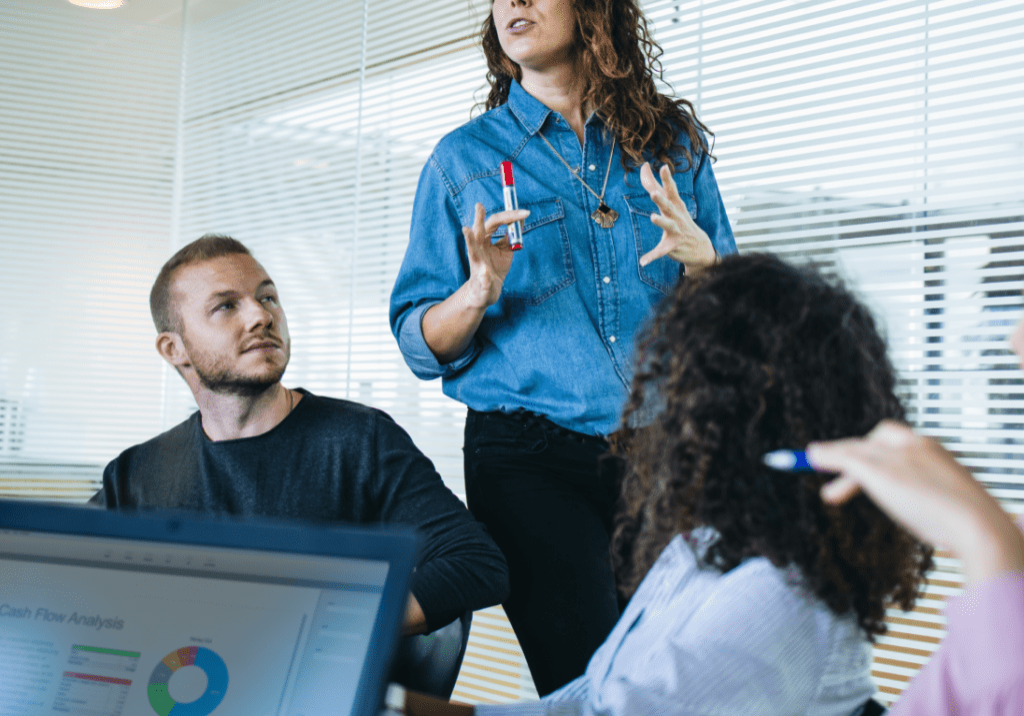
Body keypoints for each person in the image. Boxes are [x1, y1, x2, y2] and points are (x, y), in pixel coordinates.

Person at [396, 252, 1024, 716]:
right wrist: (397, 707)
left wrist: (984, 537)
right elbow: (593, 697)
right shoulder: (702, 546)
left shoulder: (782, 590)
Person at [389, 0, 736, 694]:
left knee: (677, 677)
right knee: (591, 684)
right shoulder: (465, 159)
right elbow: (417, 339)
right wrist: (476, 292)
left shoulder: (671, 147)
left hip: (662, 455)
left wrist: (704, 262)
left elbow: (739, 321)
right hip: (527, 460)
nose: (512, 3)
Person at [91, 234, 509, 646]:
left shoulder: (359, 441)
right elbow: (65, 577)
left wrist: (320, 625)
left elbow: (475, 563)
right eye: (225, 306)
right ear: (173, 348)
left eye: (268, 297)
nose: (260, 316)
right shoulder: (135, 473)